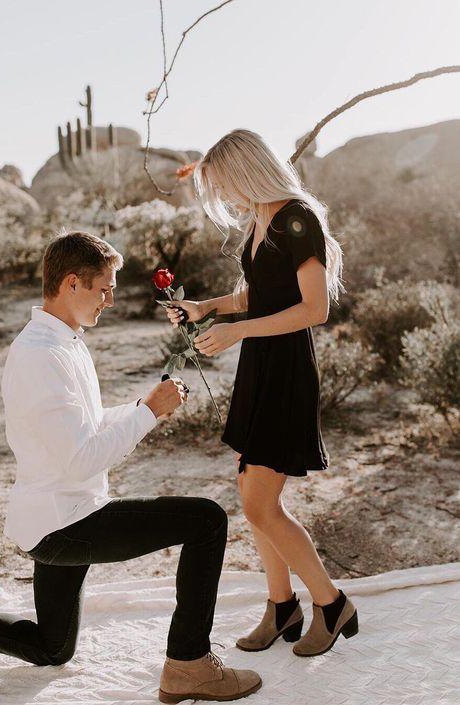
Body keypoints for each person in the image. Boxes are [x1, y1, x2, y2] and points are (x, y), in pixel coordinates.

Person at [0, 230, 262, 704]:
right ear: (72, 283)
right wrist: (150, 413)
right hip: (65, 521)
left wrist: (142, 407)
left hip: (59, 514)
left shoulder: (63, 342)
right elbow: (81, 460)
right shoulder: (41, 356)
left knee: (52, 648)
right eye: (104, 289)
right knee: (206, 521)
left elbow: (85, 428)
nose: (110, 300)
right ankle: (189, 665)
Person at [165, 129, 359, 658]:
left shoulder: (298, 217)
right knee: (254, 498)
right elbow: (264, 293)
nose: (223, 197)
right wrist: (209, 307)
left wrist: (238, 331)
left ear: (246, 171)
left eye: (223, 184)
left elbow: (314, 309)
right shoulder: (261, 220)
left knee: (260, 505)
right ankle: (281, 606)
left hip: (286, 370)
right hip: (259, 367)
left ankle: (332, 605)